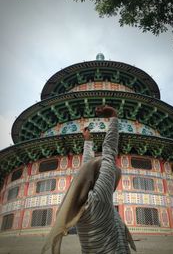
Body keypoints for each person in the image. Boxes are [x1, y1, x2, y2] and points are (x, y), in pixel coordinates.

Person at [41, 105, 136, 254]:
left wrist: (87, 141)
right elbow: (109, 152)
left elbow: (87, 170)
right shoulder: (100, 199)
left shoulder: (80, 207)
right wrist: (113, 116)